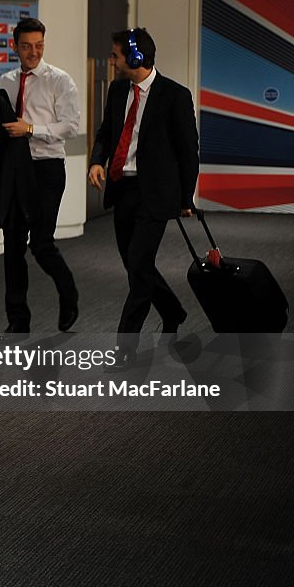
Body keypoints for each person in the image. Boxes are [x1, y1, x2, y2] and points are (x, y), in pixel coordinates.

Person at [88, 28, 199, 350]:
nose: (111, 60)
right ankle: (173, 310)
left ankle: (125, 347)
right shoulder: (118, 89)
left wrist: (185, 197)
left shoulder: (175, 95)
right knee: (136, 264)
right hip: (123, 188)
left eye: (115, 55)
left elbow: (188, 150)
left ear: (135, 57)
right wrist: (98, 160)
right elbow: (107, 131)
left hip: (156, 194)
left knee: (137, 266)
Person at [0, 17, 80, 334]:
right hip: (15, 170)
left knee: (40, 244)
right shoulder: (6, 80)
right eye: (27, 46)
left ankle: (69, 295)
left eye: (39, 45)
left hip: (47, 168)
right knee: (12, 245)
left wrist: (31, 129)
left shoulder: (60, 80)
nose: (33, 52)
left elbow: (71, 127)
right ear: (16, 46)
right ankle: (18, 319)